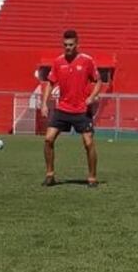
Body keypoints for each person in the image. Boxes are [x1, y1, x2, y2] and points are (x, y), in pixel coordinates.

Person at [40, 30, 101, 188]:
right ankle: (50, 175)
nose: (68, 48)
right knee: (48, 139)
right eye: (65, 45)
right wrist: (44, 103)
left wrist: (92, 96)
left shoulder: (87, 61)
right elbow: (50, 83)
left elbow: (98, 81)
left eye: (71, 45)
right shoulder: (58, 62)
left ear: (77, 44)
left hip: (81, 110)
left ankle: (92, 177)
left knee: (88, 143)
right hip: (63, 109)